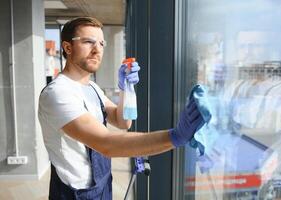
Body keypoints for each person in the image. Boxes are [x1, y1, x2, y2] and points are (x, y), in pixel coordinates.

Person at [38, 17, 204, 200]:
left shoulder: (92, 88)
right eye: (88, 42)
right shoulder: (58, 93)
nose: (97, 50)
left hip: (102, 185)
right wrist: (174, 137)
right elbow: (106, 144)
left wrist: (126, 90)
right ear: (68, 48)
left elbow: (122, 121)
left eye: (101, 43)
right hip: (76, 194)